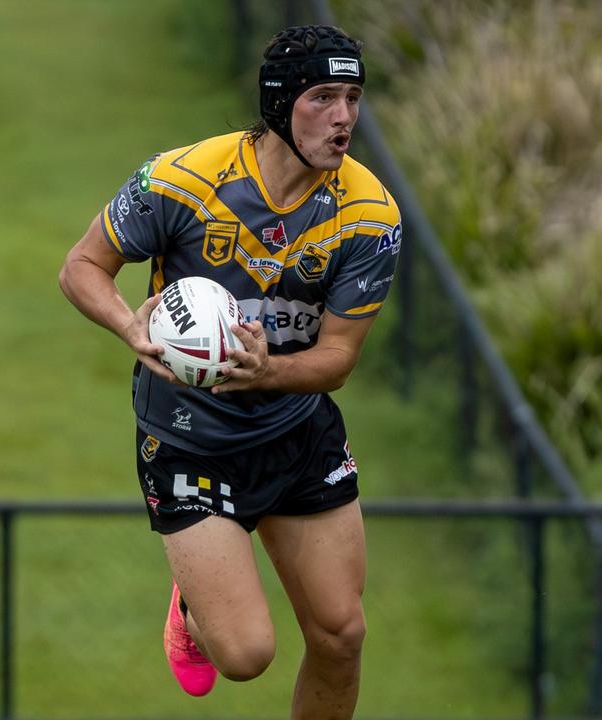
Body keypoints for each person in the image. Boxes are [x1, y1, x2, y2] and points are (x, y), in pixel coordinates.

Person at [58, 25, 401, 718]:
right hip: (188, 438)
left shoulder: (369, 216)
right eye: (324, 97)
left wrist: (266, 371)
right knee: (245, 657)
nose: (343, 118)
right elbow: (82, 267)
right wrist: (132, 326)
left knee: (341, 635)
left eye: (354, 98)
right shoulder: (181, 179)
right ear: (280, 102)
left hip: (296, 432)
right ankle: (192, 606)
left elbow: (337, 359)